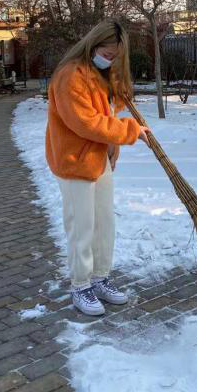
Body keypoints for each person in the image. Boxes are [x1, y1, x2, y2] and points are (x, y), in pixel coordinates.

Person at [45, 19, 150, 316]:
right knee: (82, 226)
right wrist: (128, 131)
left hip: (98, 159)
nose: (110, 59)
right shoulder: (69, 76)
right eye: (107, 53)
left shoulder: (97, 74)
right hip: (73, 161)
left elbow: (106, 109)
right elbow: (86, 122)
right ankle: (80, 285)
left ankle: (99, 278)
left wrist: (117, 85)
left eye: (116, 56)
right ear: (92, 45)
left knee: (104, 224)